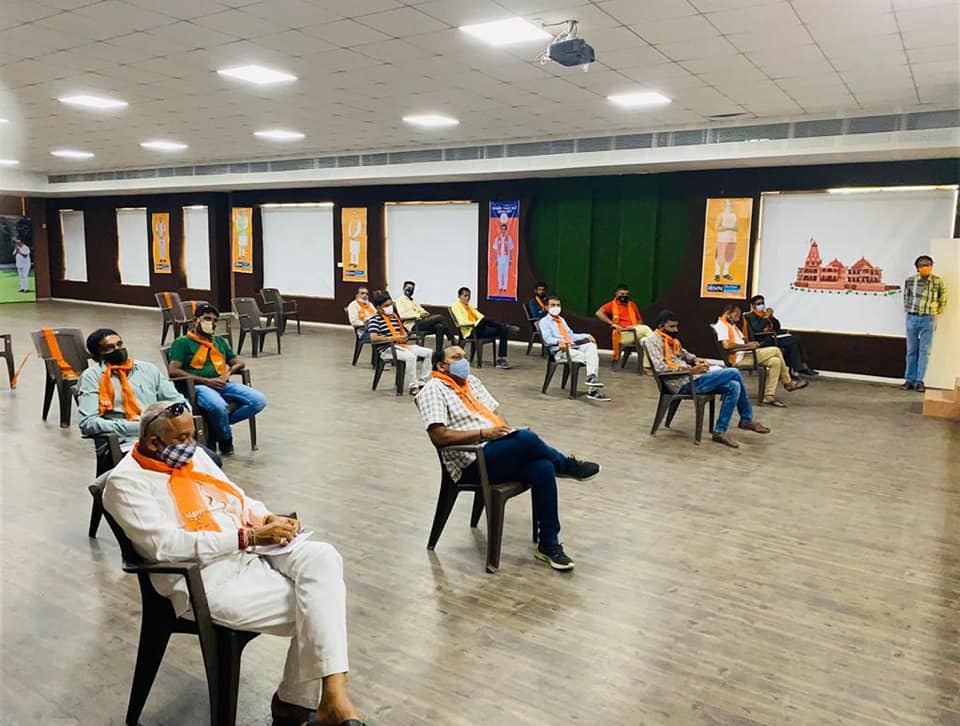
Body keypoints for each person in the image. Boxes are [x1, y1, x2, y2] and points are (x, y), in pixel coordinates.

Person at [102, 403, 364, 726]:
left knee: (325, 558)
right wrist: (247, 537)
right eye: (182, 439)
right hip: (206, 579)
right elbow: (167, 547)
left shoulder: (190, 457)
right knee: (320, 603)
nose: (192, 445)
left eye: (193, 435)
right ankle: (301, 702)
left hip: (249, 549)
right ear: (154, 443)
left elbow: (236, 496)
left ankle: (323, 700)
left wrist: (266, 518)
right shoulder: (126, 483)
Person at [417, 346, 601, 570]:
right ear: (441, 366)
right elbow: (439, 436)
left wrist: (504, 432)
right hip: (472, 462)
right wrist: (485, 433)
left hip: (495, 450)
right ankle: (565, 465)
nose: (463, 361)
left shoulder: (471, 382)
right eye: (456, 358)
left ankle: (549, 544)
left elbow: (495, 413)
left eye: (464, 356)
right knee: (527, 438)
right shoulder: (433, 389)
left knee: (542, 467)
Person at [644, 310, 771, 448]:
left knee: (734, 386)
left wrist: (696, 360)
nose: (676, 330)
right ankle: (746, 419)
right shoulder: (652, 341)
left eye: (676, 326)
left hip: (693, 378)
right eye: (672, 327)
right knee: (734, 372)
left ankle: (719, 431)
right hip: (679, 383)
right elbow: (661, 368)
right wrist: (691, 370)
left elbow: (686, 355)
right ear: (661, 326)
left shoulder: (671, 340)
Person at [77, 328, 196, 472]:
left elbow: (178, 401)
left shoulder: (148, 369)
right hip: (124, 443)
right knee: (169, 468)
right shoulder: (92, 377)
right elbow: (88, 423)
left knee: (209, 459)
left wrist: (175, 418)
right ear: (96, 356)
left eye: (120, 344)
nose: (118, 350)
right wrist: (139, 428)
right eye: (109, 348)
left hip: (166, 437)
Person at [167, 304, 267, 455]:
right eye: (207, 319)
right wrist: (206, 381)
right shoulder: (182, 342)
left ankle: (216, 426)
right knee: (218, 407)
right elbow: (173, 370)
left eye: (215, 320)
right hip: (199, 386)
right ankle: (226, 438)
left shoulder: (219, 342)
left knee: (259, 400)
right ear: (195, 321)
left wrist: (228, 372)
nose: (212, 323)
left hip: (222, 384)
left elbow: (239, 362)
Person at [712, 303, 807, 408]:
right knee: (776, 350)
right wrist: (748, 346)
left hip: (746, 353)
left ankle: (769, 395)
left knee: (775, 362)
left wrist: (750, 343)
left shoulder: (731, 325)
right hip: (739, 358)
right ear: (728, 313)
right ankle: (788, 382)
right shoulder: (721, 325)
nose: (738, 319)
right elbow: (727, 345)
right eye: (736, 316)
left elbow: (742, 340)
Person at [538, 295, 610, 402]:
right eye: (553, 305)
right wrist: (558, 341)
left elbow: (571, 336)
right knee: (589, 358)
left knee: (591, 346)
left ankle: (592, 378)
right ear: (546, 307)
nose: (556, 307)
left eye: (558, 305)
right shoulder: (544, 322)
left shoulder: (561, 320)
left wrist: (587, 335)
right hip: (559, 351)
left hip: (572, 347)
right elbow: (547, 339)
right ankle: (593, 391)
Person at [366, 290, 433, 395]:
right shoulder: (375, 320)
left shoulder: (394, 318)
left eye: (390, 304)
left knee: (429, 352)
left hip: (401, 346)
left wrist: (404, 337)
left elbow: (401, 333)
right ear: (379, 308)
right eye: (386, 306)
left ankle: (422, 382)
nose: (390, 307)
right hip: (387, 349)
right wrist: (392, 338)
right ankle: (413, 386)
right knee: (411, 357)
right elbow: (373, 338)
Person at [902, 254, 947, 393]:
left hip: (928, 318)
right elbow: (906, 297)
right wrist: (909, 311)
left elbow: (943, 298)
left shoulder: (937, 281)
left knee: (924, 351)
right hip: (912, 317)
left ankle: (919, 381)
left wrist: (935, 311)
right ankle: (909, 380)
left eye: (928, 265)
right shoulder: (910, 281)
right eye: (923, 265)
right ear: (917, 268)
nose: (926, 267)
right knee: (911, 351)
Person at [743, 294, 818, 377]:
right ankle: (801, 367)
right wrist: (766, 317)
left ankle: (796, 370)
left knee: (794, 343)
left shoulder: (764, 314)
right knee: (795, 340)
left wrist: (771, 317)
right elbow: (757, 329)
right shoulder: (751, 316)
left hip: (773, 336)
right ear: (753, 306)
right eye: (759, 304)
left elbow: (777, 327)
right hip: (764, 340)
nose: (761, 305)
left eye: (762, 303)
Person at [450, 286, 519, 370]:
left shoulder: (469, 306)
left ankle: (501, 359)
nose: (467, 298)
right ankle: (506, 326)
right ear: (459, 296)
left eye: (469, 296)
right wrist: (477, 323)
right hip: (470, 331)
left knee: (502, 330)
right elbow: (462, 322)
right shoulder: (456, 307)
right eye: (465, 296)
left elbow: (480, 316)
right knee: (485, 320)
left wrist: (481, 322)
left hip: (479, 329)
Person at [595, 284, 652, 363]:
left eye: (626, 294)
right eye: (622, 294)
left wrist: (634, 326)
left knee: (645, 341)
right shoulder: (611, 305)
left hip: (635, 332)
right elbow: (598, 313)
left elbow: (640, 321)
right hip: (622, 334)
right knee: (646, 329)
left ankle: (647, 366)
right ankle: (659, 348)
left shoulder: (632, 305)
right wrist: (612, 323)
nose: (624, 296)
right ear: (616, 294)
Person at [395, 280, 452, 353]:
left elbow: (422, 310)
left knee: (440, 326)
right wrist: (418, 315)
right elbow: (402, 316)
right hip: (413, 325)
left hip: (421, 322)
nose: (410, 290)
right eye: (408, 288)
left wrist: (425, 313)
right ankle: (451, 338)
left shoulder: (413, 301)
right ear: (403, 288)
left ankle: (438, 353)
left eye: (412, 289)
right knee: (440, 317)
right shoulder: (400, 300)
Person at [714, 199, 738, 282]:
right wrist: (728, 227)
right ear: (724, 207)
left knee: (729, 258)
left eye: (731, 206)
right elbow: (717, 227)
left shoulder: (734, 216)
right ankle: (717, 274)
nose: (730, 207)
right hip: (722, 240)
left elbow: (736, 228)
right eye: (728, 206)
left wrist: (730, 228)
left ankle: (725, 273)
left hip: (732, 240)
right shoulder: (721, 215)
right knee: (719, 258)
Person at [492, 215, 514, 294]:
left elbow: (511, 249)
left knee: (505, 273)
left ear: (506, 230)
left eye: (504, 229)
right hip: (499, 257)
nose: (503, 231)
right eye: (502, 229)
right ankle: (499, 288)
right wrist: (496, 259)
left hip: (506, 257)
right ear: (500, 230)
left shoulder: (509, 238)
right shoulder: (497, 238)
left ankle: (505, 288)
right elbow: (495, 249)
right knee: (499, 273)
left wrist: (510, 259)